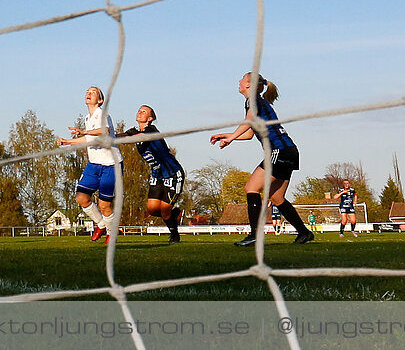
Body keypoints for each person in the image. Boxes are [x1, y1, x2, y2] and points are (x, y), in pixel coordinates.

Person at [210, 73, 313, 246]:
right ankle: (304, 232)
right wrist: (228, 136)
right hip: (290, 151)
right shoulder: (258, 102)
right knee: (277, 198)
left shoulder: (253, 101)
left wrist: (231, 137)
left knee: (251, 187)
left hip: (279, 150)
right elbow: (250, 133)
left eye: (242, 79)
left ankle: (254, 235)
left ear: (249, 85)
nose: (239, 81)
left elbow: (248, 122)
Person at [56, 86, 120, 243]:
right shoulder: (87, 118)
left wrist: (84, 132)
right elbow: (88, 139)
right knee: (81, 197)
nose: (88, 94)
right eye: (87, 92)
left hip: (110, 164)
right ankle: (100, 224)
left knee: (104, 205)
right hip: (94, 164)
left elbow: (104, 130)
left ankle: (111, 234)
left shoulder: (102, 114)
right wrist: (67, 141)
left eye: (93, 92)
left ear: (100, 100)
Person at [130, 106, 185, 243]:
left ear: (150, 118)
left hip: (172, 174)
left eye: (144, 111)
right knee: (153, 210)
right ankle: (175, 214)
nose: (139, 112)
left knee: (164, 211)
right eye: (139, 110)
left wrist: (120, 140)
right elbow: (119, 136)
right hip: (156, 175)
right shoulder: (134, 131)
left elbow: (139, 137)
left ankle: (174, 235)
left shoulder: (151, 130)